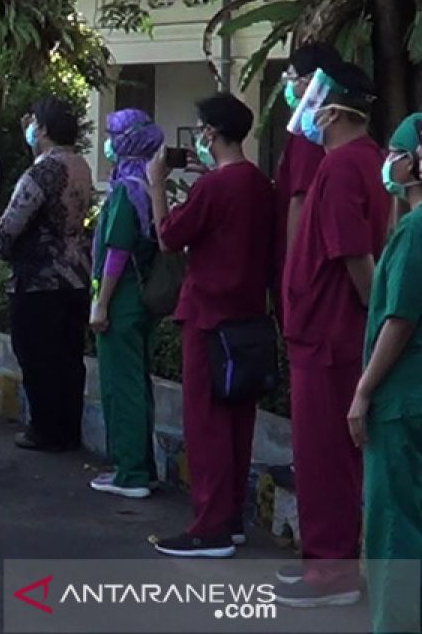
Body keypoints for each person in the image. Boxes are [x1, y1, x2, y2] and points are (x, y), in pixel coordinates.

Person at [278, 63, 390, 605]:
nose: (300, 101)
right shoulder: (362, 162)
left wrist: (374, 322)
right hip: (328, 335)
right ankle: (327, 564)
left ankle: (332, 574)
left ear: (333, 109)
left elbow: (356, 256)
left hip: (329, 338)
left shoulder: (345, 167)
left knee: (323, 459)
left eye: (308, 93)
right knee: (325, 457)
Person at [148, 94, 276, 556]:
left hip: (207, 317)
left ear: (211, 133)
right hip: (248, 318)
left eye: (201, 129)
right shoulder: (261, 185)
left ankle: (209, 526)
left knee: (206, 426)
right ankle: (231, 517)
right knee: (238, 422)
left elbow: (169, 237)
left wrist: (157, 186)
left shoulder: (214, 188)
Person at [344, 113, 422, 634]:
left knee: (393, 529)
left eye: (396, 152)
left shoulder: (416, 231)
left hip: (400, 399)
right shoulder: (408, 225)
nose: (387, 163)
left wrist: (363, 392)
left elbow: (399, 317)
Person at [0, 97, 94, 452]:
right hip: (76, 275)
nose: (30, 128)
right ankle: (67, 429)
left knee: (37, 355)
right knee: (69, 357)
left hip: (39, 279)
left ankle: (45, 429)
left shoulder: (42, 171)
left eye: (34, 122)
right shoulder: (80, 164)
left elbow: (12, 224)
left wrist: (1, 248)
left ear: (45, 130)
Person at [86, 109, 163, 495]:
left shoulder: (124, 190)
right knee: (137, 381)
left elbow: (117, 250)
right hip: (140, 298)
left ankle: (129, 472)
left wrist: (101, 303)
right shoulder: (150, 184)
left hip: (122, 299)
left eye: (113, 133)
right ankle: (141, 466)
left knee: (122, 386)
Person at [275, 44, 341, 318]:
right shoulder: (336, 127)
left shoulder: (308, 133)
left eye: (290, 78)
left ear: (310, 81)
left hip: (308, 266)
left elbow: (300, 199)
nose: (288, 86)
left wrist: (293, 270)